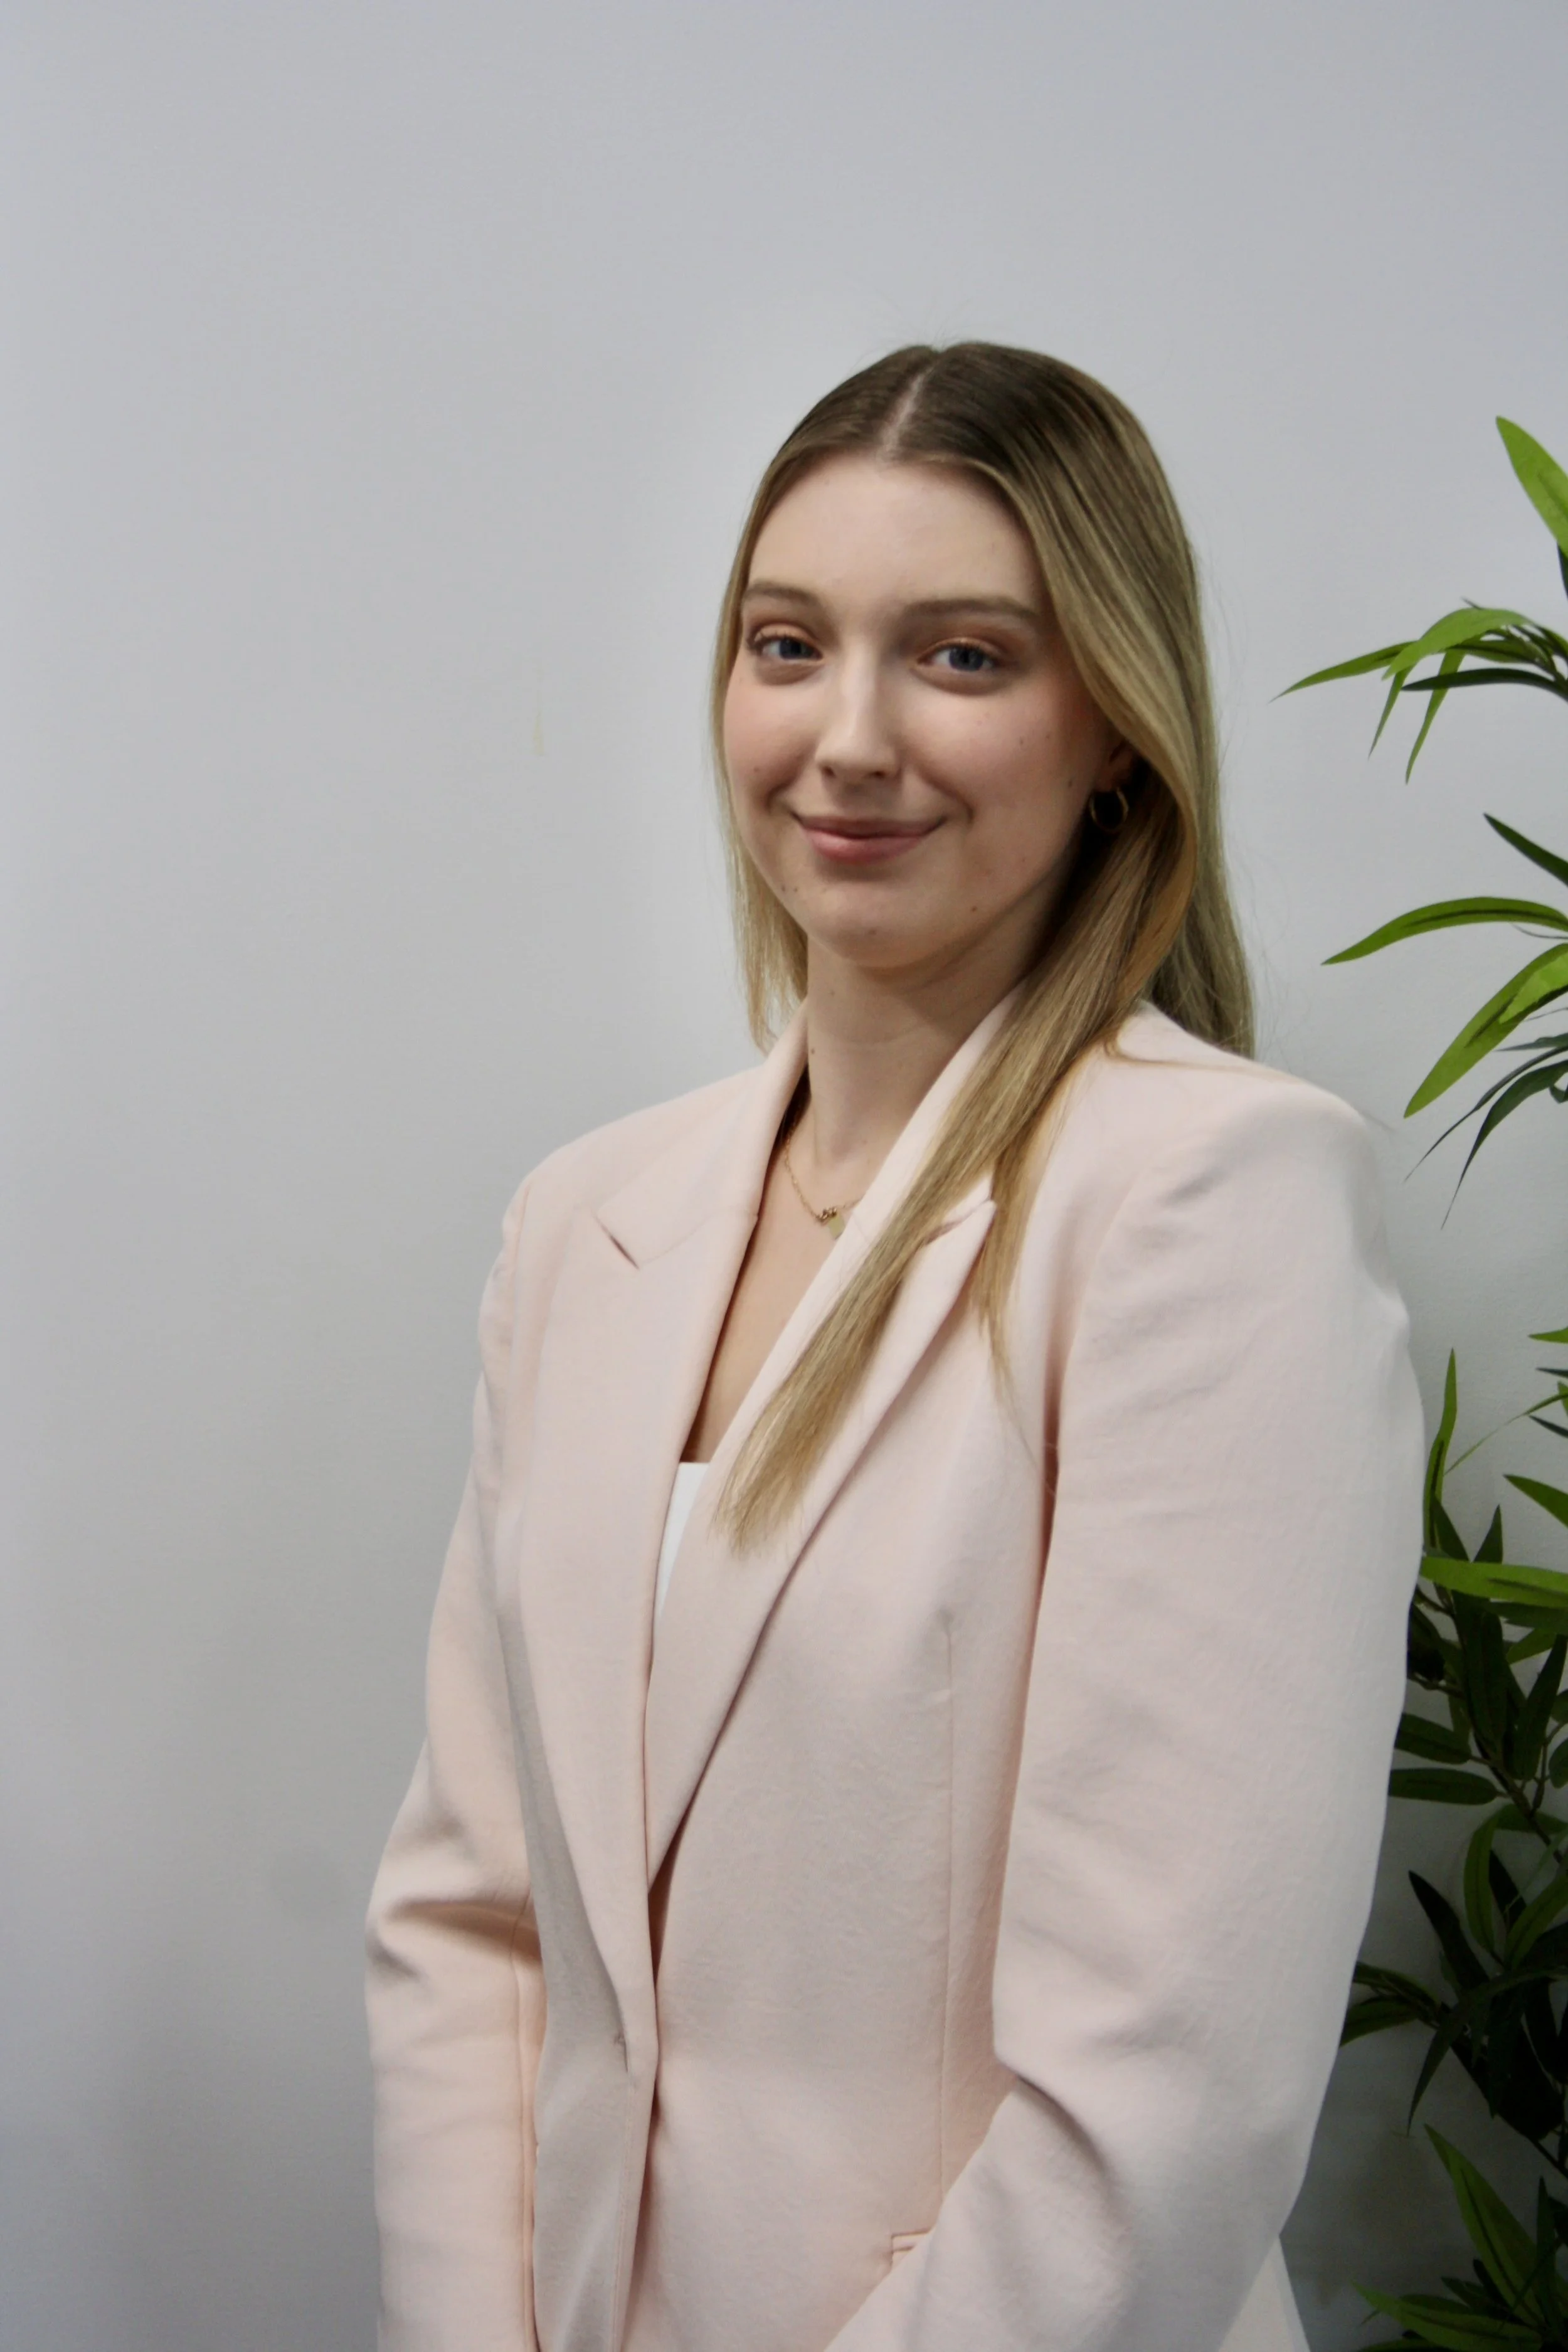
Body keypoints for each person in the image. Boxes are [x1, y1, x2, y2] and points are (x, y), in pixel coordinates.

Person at [366, 342, 1423, 2352]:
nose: (845, 739)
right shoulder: (583, 1226)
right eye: (787, 645)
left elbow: (1158, 2103)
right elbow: (474, 1915)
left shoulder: (1208, 1198)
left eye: (959, 656)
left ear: (1116, 727)